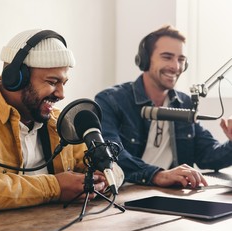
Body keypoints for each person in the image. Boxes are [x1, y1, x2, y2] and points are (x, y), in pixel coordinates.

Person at [0, 29, 123, 218]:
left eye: (64, 83)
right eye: (52, 82)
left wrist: (103, 179)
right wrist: (55, 187)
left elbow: (114, 171)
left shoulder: (59, 123)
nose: (61, 94)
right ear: (16, 78)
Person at [95, 25, 232, 189]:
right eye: (167, 57)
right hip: (125, 195)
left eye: (181, 60)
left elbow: (208, 156)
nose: (176, 67)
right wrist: (157, 175)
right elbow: (110, 155)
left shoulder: (185, 103)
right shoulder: (111, 100)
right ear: (145, 60)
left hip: (171, 195)